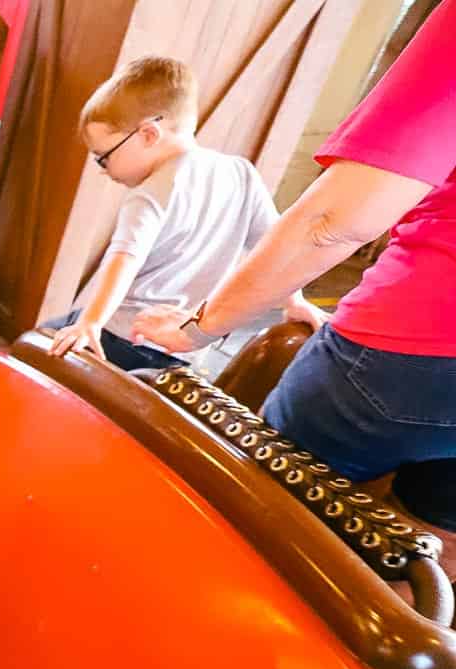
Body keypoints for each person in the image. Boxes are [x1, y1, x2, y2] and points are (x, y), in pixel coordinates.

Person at [132, 7, 456, 530]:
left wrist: (197, 328)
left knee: (261, 503)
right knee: (430, 536)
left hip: (419, 347)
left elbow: (334, 221)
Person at [48, 57, 322, 372]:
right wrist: (295, 301)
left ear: (149, 135)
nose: (103, 170)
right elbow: (275, 245)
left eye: (103, 157)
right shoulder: (240, 174)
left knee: (31, 348)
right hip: (184, 351)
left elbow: (125, 257)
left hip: (120, 337)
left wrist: (91, 322)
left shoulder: (149, 194)